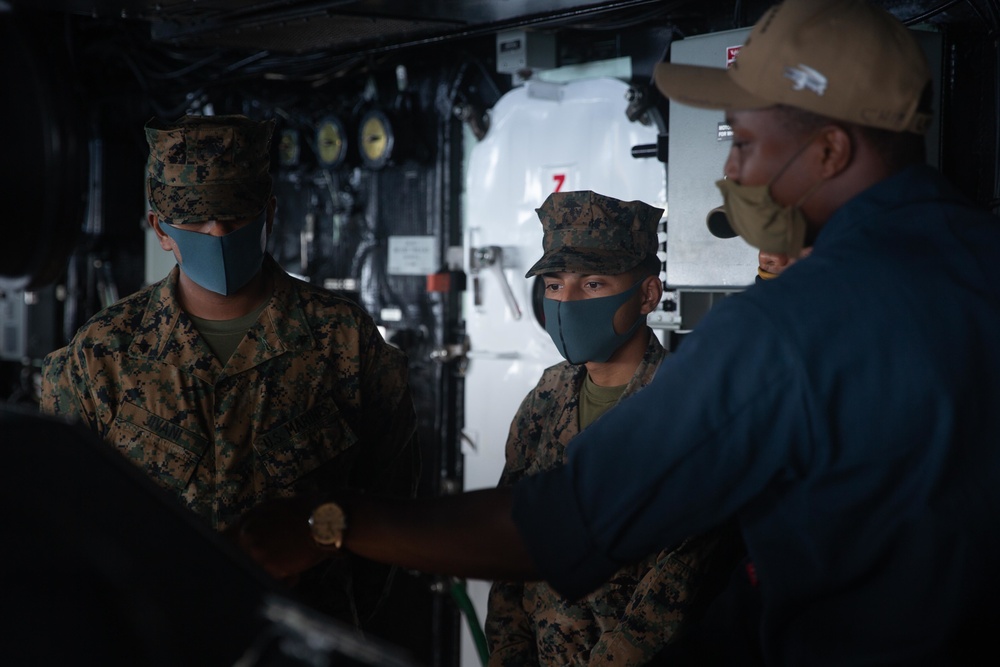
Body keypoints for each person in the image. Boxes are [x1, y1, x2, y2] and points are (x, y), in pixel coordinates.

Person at [233, 1, 1000, 664]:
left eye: (742, 141)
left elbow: (555, 528)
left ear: (830, 150)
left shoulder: (786, 328)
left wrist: (332, 521)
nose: (731, 170)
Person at [39, 114, 421, 635]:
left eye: (235, 215)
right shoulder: (103, 353)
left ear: (268, 213)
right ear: (161, 230)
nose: (217, 233)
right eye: (195, 221)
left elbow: (390, 509)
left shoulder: (342, 340)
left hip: (299, 643)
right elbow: (63, 525)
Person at [484, 190, 741, 666]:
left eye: (594, 285)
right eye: (554, 285)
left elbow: (669, 599)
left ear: (647, 294)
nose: (566, 301)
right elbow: (513, 546)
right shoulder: (548, 394)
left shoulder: (685, 408)